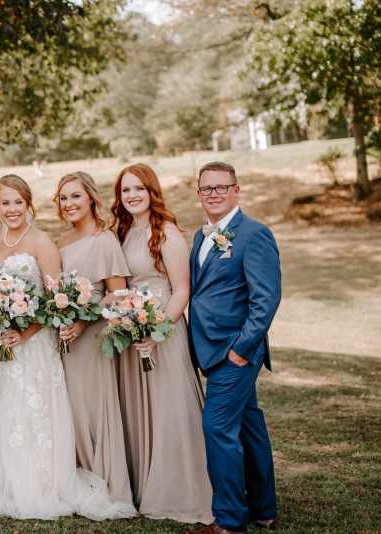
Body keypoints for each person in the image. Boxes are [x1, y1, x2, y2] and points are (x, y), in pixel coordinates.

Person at [0, 174, 136, 521]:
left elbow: (53, 303)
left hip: (34, 345)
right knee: (5, 414)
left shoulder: (43, 243)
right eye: (5, 202)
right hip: (2, 347)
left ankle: (43, 485)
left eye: (18, 202)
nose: (11, 209)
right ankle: (3, 485)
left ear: (28, 204)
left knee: (35, 414)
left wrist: (25, 334)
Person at [111, 163, 212, 524]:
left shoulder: (166, 233)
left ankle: (181, 492)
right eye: (125, 190)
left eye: (139, 188)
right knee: (141, 407)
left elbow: (182, 290)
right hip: (132, 331)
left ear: (151, 191)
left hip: (163, 332)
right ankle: (144, 484)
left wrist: (157, 333)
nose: (132, 195)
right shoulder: (122, 233)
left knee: (169, 406)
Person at [187, 162, 280, 534]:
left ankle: (228, 521)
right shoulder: (202, 235)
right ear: (199, 194)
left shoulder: (254, 234)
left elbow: (266, 299)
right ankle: (263, 508)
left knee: (217, 428)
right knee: (248, 424)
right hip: (210, 346)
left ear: (236, 190)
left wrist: (241, 349)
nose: (213, 194)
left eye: (221, 187)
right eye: (206, 188)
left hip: (235, 350)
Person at [53, 171, 135, 511]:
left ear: (90, 198)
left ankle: (107, 483)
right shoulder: (61, 242)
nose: (69, 203)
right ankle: (79, 479)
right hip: (64, 339)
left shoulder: (105, 240)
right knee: (71, 409)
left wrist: (84, 321)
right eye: (63, 198)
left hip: (93, 338)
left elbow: (118, 294)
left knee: (94, 409)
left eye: (75, 196)